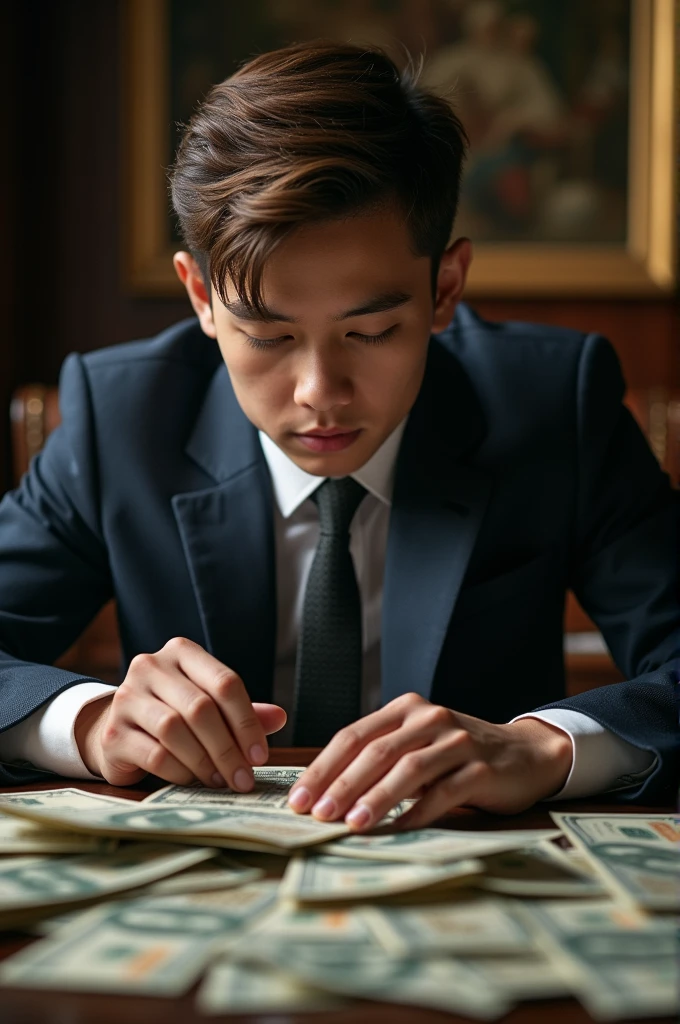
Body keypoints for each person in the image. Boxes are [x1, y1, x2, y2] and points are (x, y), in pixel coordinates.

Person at [0, 42, 677, 831]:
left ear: (444, 289)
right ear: (201, 296)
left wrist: (545, 747)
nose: (320, 392)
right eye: (268, 335)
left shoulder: (554, 405)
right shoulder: (120, 417)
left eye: (373, 330)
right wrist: (87, 722)